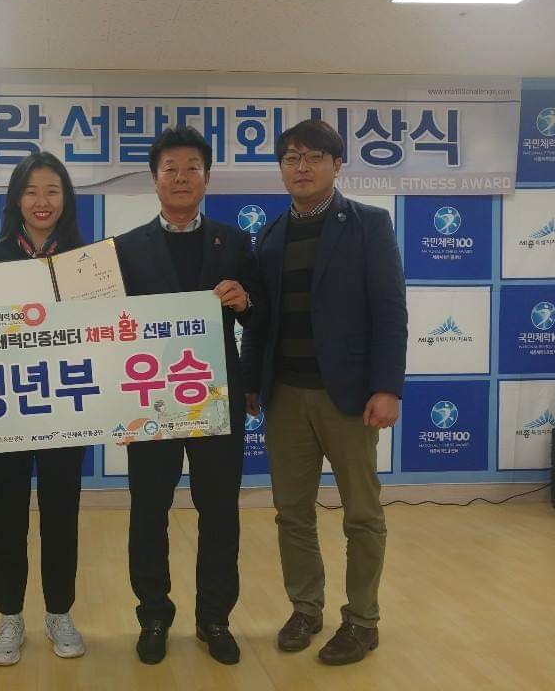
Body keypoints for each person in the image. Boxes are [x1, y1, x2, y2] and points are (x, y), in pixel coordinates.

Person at [241, 119, 407, 666]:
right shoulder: (269, 235)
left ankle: (362, 619)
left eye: (313, 157)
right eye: (291, 158)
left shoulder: (368, 225)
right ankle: (305, 607)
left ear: (337, 165)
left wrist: (387, 386)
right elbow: (260, 321)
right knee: (292, 512)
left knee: (362, 514)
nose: (301, 167)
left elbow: (390, 310)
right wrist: (251, 383)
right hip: (286, 395)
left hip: (349, 397)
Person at [113, 126, 258, 666]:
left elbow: (260, 315)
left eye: (191, 167)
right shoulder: (125, 248)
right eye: (169, 168)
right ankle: (154, 615)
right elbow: (105, 326)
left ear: (207, 177)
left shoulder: (234, 242)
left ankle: (214, 618)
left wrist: (245, 302)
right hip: (149, 399)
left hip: (215, 395)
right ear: (154, 179)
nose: (180, 177)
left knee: (219, 511)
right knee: (148, 511)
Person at [0, 151, 87, 667]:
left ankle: (59, 612)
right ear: (16, 199)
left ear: (66, 199)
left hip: (67, 407)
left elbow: (105, 332)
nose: (42, 201)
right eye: (31, 191)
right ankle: (10, 615)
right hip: (8, 408)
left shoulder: (85, 258)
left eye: (52, 191)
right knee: (6, 514)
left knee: (61, 513)